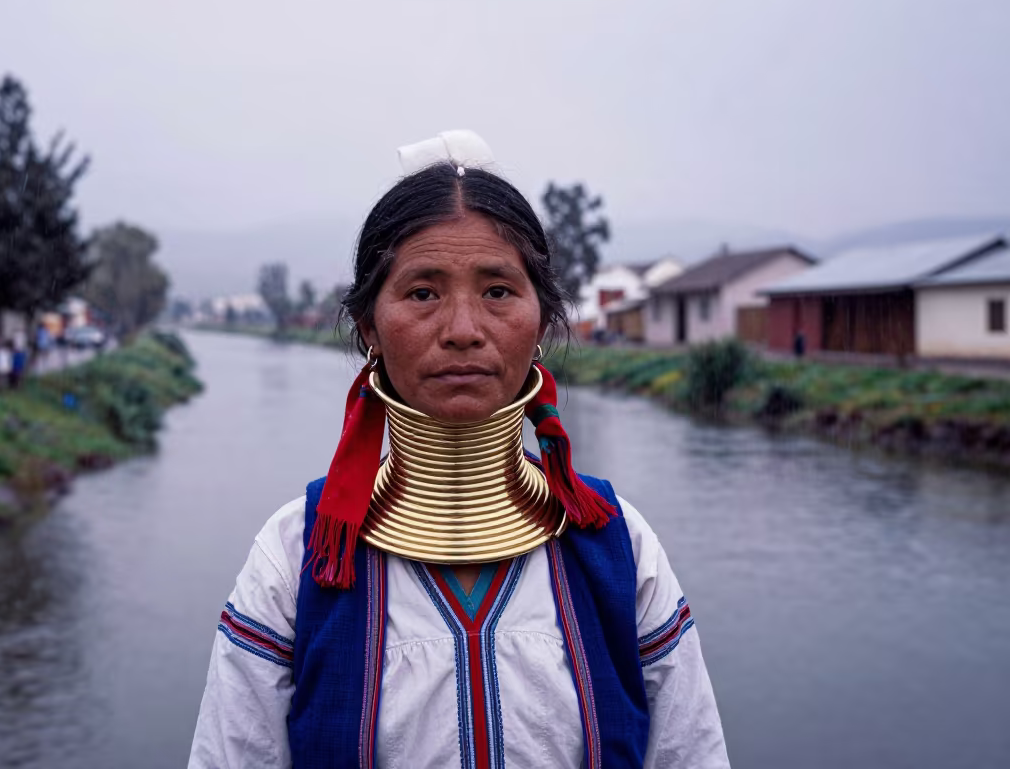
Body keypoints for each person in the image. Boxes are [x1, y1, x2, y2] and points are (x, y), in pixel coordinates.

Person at [188, 131, 729, 768]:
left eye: (498, 291)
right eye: (423, 293)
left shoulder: (617, 548)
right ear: (370, 328)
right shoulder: (295, 559)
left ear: (542, 320)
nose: (464, 331)